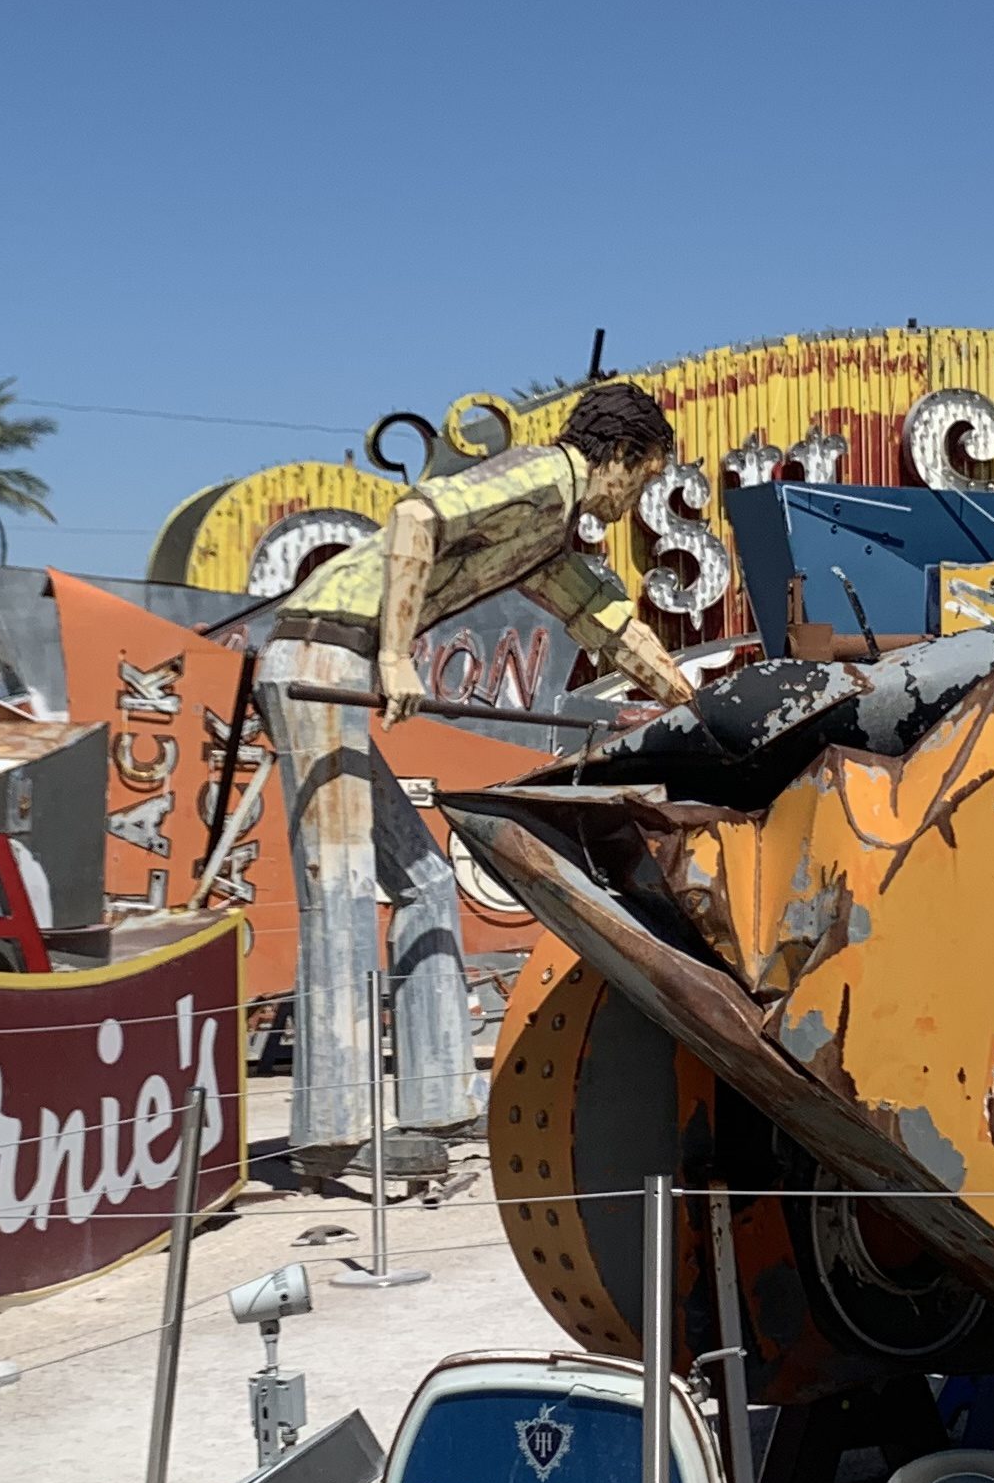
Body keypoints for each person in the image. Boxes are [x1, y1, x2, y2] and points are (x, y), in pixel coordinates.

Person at [257, 381, 700, 1183]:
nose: (638, 503)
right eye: (642, 482)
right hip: (325, 654)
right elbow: (416, 518)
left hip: (345, 659)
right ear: (623, 461)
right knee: (346, 885)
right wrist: (396, 653)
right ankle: (334, 1126)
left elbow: (609, 623)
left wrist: (694, 703)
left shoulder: (546, 539)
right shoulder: (541, 479)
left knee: (425, 884)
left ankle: (436, 1101)